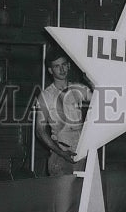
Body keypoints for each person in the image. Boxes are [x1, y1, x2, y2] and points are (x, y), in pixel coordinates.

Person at [35, 47, 93, 175]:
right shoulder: (46, 96)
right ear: (50, 70)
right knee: (63, 194)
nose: (61, 69)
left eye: (64, 65)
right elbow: (40, 131)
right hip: (61, 156)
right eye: (57, 66)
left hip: (81, 154)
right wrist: (60, 152)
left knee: (82, 194)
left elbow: (101, 99)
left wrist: (90, 81)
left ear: (69, 66)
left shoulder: (79, 88)